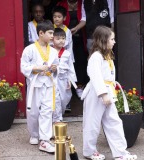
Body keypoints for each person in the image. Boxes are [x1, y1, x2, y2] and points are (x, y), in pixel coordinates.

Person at [81, 26, 137, 160]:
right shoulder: (96, 56)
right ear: (103, 40)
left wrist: (109, 93)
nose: (114, 42)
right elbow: (95, 76)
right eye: (112, 39)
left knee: (114, 122)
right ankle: (89, 151)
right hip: (97, 94)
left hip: (107, 92)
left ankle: (120, 152)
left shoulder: (107, 56)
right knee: (92, 123)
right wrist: (103, 94)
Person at [20, 20, 58, 153]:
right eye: (50, 33)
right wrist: (36, 67)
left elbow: (56, 66)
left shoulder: (53, 51)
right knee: (33, 112)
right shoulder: (29, 49)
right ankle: (34, 134)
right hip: (35, 84)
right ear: (41, 33)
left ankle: (44, 139)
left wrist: (54, 69)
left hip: (48, 83)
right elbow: (23, 67)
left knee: (47, 111)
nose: (53, 36)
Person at [56, 0, 89, 98]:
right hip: (62, 36)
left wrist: (76, 28)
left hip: (80, 36)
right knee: (64, 63)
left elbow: (85, 18)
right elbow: (56, 17)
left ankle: (79, 86)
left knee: (81, 61)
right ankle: (66, 89)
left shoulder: (82, 3)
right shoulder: (61, 4)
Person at [52, 28, 77, 123]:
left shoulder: (67, 53)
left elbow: (71, 68)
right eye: (58, 38)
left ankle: (59, 114)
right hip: (53, 79)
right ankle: (57, 119)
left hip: (63, 79)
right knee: (55, 99)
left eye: (63, 38)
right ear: (52, 39)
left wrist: (70, 80)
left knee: (64, 98)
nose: (61, 40)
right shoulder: (49, 51)